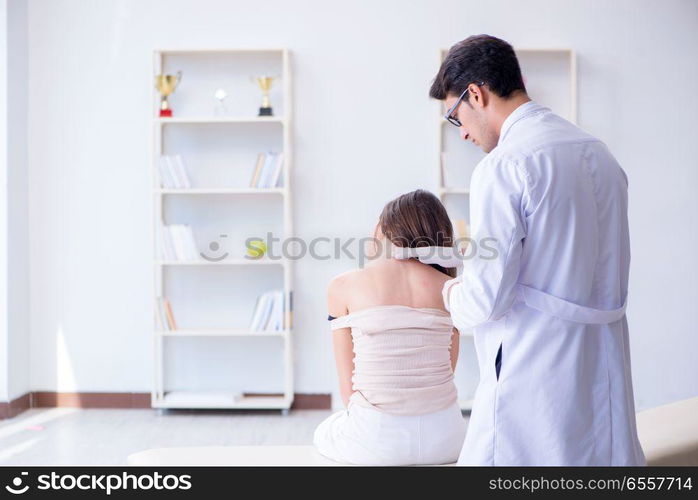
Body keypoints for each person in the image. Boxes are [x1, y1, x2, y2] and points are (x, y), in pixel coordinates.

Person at [427, 34, 646, 465]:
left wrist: (448, 291)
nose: (463, 133)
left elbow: (486, 300)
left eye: (456, 117)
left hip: (536, 368)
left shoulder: (504, 166)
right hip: (602, 360)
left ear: (477, 94)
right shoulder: (598, 153)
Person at [313, 190, 466, 466]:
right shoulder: (452, 288)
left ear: (382, 229)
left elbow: (349, 392)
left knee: (324, 431)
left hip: (375, 441)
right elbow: (449, 368)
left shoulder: (343, 286)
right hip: (448, 438)